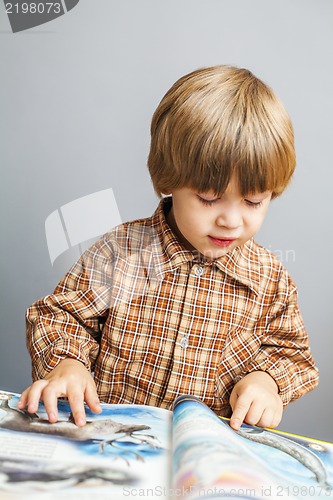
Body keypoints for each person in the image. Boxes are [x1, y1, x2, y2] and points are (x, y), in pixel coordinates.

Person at [18, 65, 319, 432]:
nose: (231, 220)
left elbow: (293, 356)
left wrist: (267, 383)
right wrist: (68, 364)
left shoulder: (272, 282)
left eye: (253, 201)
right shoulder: (121, 252)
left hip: (200, 466)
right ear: (170, 181)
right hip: (104, 443)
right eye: (209, 198)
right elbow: (59, 315)